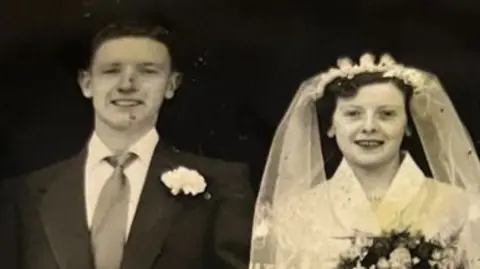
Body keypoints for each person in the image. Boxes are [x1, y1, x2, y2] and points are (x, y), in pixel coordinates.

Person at [0, 21, 254, 269]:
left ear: (171, 85)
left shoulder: (223, 186)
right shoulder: (24, 194)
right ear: (87, 83)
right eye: (111, 71)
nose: (126, 85)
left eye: (147, 71)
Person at [249, 53, 480, 269]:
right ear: (331, 125)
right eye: (353, 114)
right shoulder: (295, 217)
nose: (369, 127)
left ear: (408, 124)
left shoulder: (458, 208)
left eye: (387, 114)